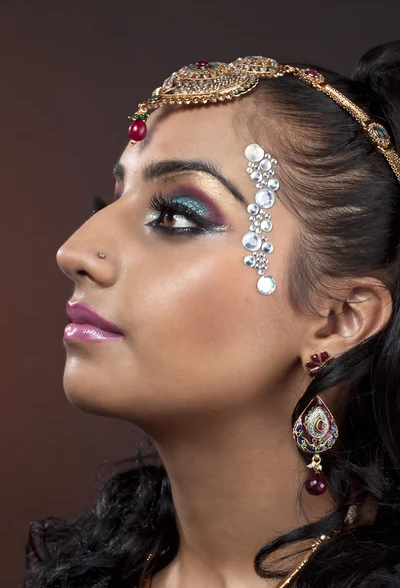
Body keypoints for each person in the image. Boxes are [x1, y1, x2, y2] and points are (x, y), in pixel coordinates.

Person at [23, 40, 400, 588]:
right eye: (111, 203)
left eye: (176, 217)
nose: (75, 251)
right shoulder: (90, 574)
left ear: (339, 319)